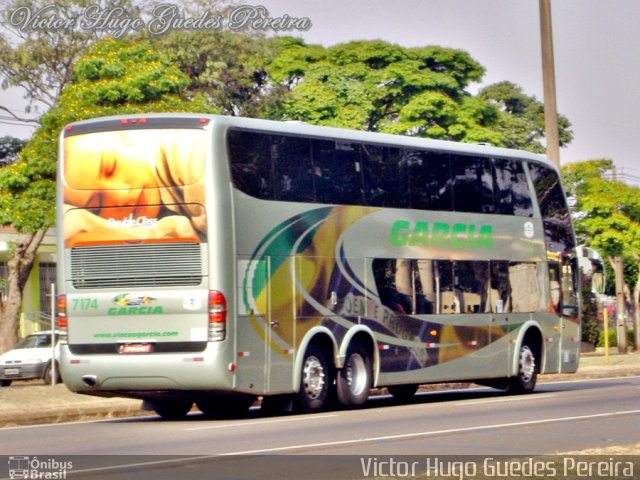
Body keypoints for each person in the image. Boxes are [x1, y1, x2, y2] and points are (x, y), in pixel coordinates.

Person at [63, 128, 206, 246]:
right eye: (98, 205)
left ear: (124, 139)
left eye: (111, 168)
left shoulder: (185, 151)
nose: (122, 195)